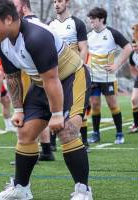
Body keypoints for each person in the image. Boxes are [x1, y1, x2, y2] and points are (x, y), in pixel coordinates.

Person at [0, 0, 93, 199]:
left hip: (71, 78)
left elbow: (52, 78)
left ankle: (83, 191)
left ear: (8, 19)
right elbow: (13, 77)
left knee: (67, 131)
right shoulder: (2, 40)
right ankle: (21, 189)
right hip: (42, 83)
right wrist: (18, 109)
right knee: (24, 133)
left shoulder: (36, 36)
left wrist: (57, 114)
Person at [13, 0, 55, 161]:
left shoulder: (27, 28)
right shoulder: (40, 25)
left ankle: (32, 151)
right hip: (36, 75)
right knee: (37, 116)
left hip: (32, 76)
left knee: (30, 116)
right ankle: (45, 150)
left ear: (23, 8)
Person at [49, 0, 90, 152]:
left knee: (76, 110)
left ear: (67, 2)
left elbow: (83, 48)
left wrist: (80, 66)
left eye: (59, 1)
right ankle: (50, 144)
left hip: (74, 73)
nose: (56, 4)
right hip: (55, 74)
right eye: (54, 2)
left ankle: (83, 142)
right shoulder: (50, 25)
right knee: (53, 107)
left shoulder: (77, 23)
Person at [87, 7, 132, 144]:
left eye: (93, 20)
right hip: (93, 77)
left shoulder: (112, 33)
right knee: (94, 105)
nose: (91, 23)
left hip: (108, 78)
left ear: (101, 19)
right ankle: (95, 133)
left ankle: (119, 133)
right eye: (90, 21)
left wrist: (116, 65)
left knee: (112, 104)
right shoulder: (89, 36)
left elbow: (128, 48)